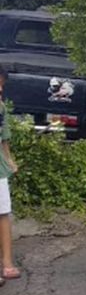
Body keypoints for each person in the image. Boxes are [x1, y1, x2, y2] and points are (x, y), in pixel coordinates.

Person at [0, 65, 21, 283]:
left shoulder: (1, 108)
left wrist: (9, 161)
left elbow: (3, 138)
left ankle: (7, 263)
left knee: (3, 213)